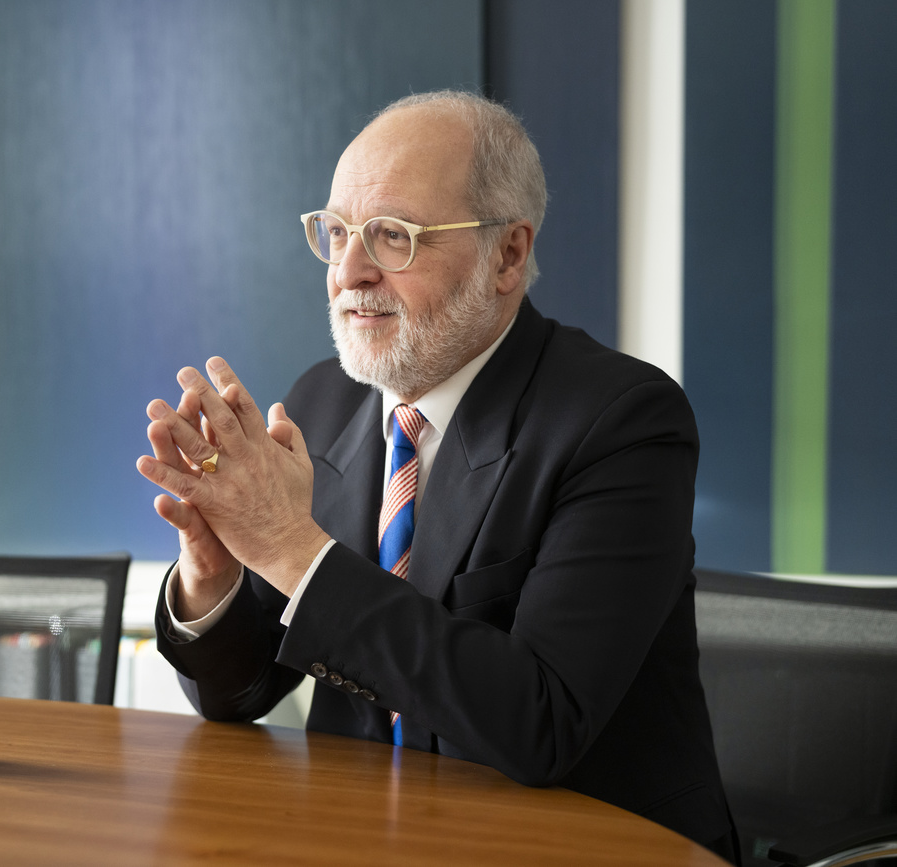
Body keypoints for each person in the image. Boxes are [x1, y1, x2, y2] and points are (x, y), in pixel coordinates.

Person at [135, 90, 737, 861]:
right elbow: (237, 693)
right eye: (337, 231)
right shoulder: (324, 399)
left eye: (392, 235)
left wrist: (289, 547)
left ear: (509, 256)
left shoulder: (622, 420)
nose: (349, 271)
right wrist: (213, 577)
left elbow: (541, 723)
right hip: (367, 841)